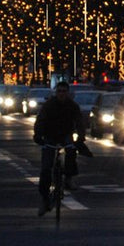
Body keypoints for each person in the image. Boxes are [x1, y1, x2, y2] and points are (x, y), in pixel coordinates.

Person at [33, 81, 86, 215]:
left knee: (71, 151)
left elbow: (79, 122)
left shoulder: (73, 106)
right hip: (50, 136)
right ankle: (44, 200)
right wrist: (38, 135)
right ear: (56, 93)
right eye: (59, 91)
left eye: (64, 91)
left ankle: (68, 178)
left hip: (65, 135)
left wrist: (81, 136)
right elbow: (40, 120)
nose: (61, 94)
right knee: (46, 168)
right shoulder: (48, 105)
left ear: (68, 93)